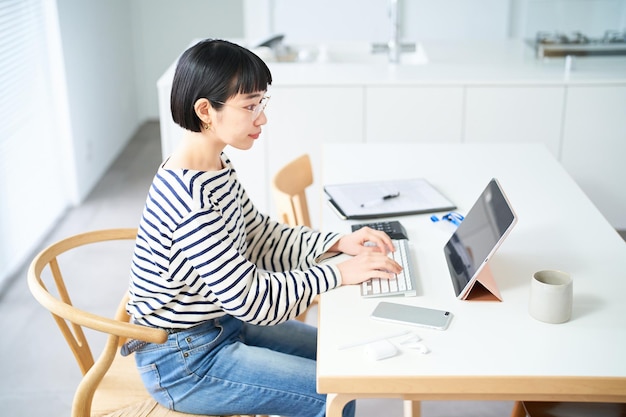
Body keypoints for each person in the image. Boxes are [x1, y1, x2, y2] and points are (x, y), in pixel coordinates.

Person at [126, 38, 402, 417]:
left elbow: (260, 235)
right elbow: (251, 298)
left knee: (341, 360)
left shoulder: (215, 165)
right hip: (185, 363)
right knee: (332, 396)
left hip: (221, 324)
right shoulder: (192, 200)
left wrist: (338, 242)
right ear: (206, 110)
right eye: (250, 106)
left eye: (262, 104)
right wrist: (337, 274)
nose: (262, 118)